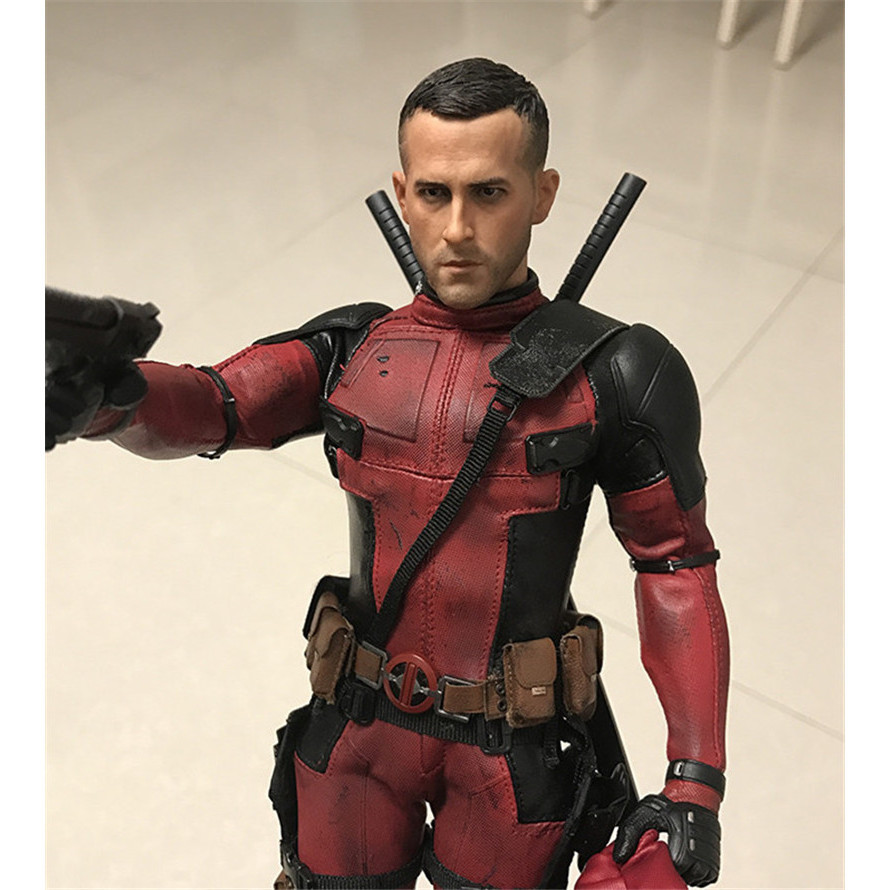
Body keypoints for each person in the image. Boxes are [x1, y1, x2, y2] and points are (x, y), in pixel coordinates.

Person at [48, 58, 729, 889]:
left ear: (543, 195)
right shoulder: (356, 348)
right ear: (402, 194)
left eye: (489, 193)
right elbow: (217, 404)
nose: (457, 229)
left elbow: (675, 565)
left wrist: (695, 782)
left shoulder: (615, 372)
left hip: (510, 758)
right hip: (357, 732)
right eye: (435, 194)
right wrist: (106, 399)